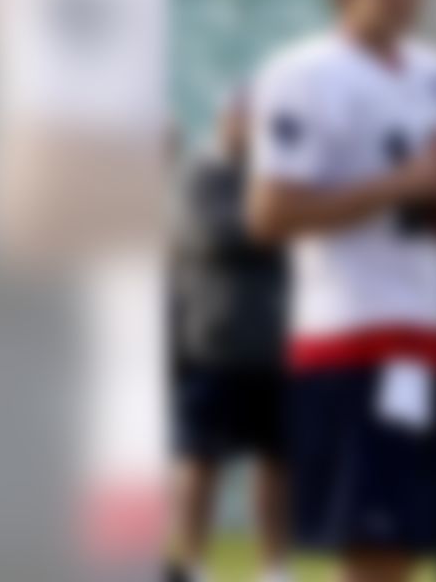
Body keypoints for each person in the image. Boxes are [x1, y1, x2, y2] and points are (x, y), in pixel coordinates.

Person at [244, 0, 436, 582]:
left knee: (403, 544)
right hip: (351, 330)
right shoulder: (301, 74)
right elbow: (269, 214)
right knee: (374, 545)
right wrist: (403, 182)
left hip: (425, 326)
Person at [166, 94, 292, 582]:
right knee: (201, 462)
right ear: (224, 121)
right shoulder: (200, 173)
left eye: (257, 118)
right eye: (242, 117)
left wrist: (278, 223)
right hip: (212, 344)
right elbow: (215, 234)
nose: (250, 127)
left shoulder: (275, 177)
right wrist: (279, 222)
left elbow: (292, 237)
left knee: (277, 463)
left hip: (274, 343)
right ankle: (193, 564)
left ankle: (275, 568)